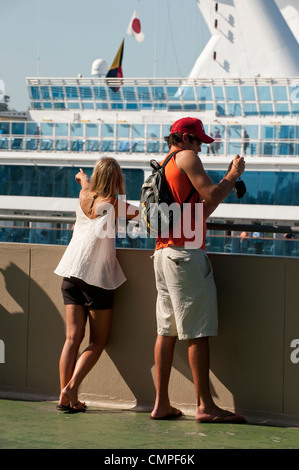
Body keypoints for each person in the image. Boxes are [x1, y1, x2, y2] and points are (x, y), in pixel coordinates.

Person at [150, 117, 246, 423]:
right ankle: (205, 405)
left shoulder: (165, 163)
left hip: (164, 253)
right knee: (198, 332)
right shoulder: (187, 157)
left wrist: (223, 186)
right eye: (200, 142)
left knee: (166, 332)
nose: (201, 149)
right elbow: (212, 195)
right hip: (185, 256)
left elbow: (200, 211)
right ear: (187, 138)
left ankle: (161, 403)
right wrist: (233, 174)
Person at [54, 157, 139, 412]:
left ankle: (64, 397)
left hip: (70, 272)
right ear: (116, 179)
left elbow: (85, 183)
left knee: (71, 339)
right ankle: (71, 387)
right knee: (98, 341)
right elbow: (148, 215)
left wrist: (84, 178)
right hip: (96, 279)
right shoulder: (113, 203)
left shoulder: (84, 195)